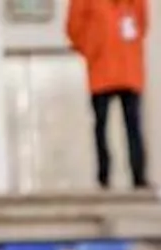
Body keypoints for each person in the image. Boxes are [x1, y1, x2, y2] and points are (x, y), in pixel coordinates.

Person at [66, 0, 148, 189]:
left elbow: (142, 23)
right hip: (103, 69)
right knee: (104, 126)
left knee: (131, 126)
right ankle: (106, 176)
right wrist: (93, 47)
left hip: (126, 68)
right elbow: (74, 27)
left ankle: (137, 176)